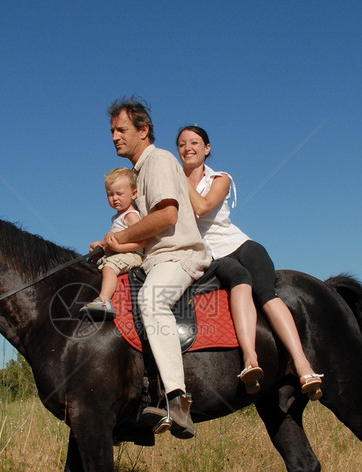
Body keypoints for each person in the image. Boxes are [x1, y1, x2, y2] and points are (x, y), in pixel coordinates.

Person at [177, 125, 324, 399]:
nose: (188, 148)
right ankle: (250, 359)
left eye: (194, 142)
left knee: (267, 294)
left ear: (207, 149)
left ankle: (302, 364)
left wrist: (180, 178)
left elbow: (202, 207)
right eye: (182, 144)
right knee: (238, 282)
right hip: (210, 255)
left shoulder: (220, 178)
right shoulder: (171, 183)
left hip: (241, 246)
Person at [101, 97, 211, 438]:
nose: (115, 137)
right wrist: (108, 247)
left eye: (122, 130)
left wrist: (120, 240)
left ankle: (177, 400)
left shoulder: (159, 160)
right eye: (112, 131)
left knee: (152, 301)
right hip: (153, 257)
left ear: (143, 130)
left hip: (178, 255)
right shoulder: (139, 171)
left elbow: (167, 216)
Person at [80, 168, 145, 319]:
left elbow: (143, 242)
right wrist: (100, 246)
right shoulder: (117, 217)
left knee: (109, 267)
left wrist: (118, 248)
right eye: (110, 194)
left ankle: (104, 301)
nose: (114, 198)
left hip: (134, 255)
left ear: (133, 194)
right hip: (122, 254)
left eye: (119, 194)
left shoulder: (131, 216)